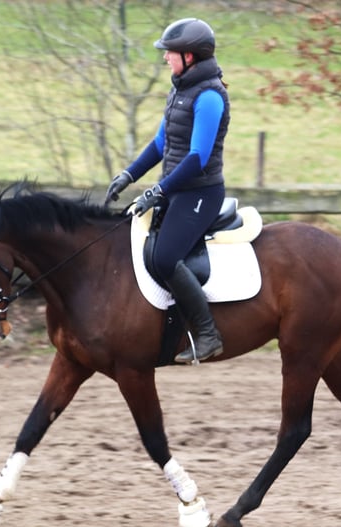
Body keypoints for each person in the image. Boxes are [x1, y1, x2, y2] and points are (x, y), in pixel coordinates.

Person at [105, 17, 230, 365]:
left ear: (189, 56)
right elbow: (162, 143)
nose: (165, 58)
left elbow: (198, 157)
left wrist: (157, 190)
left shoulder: (209, 96)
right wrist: (128, 175)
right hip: (177, 189)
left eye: (170, 52)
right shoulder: (180, 89)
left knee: (163, 257)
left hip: (200, 193)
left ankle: (208, 334)